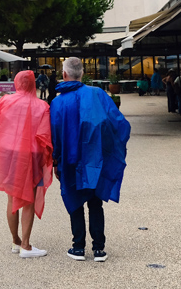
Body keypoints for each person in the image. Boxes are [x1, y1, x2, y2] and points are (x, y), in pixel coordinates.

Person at [51, 57, 131, 263]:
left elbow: (55, 135)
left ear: (64, 74)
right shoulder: (97, 94)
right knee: (95, 203)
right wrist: (109, 148)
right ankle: (99, 249)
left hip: (69, 159)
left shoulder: (58, 102)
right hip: (94, 158)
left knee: (74, 200)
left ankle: (78, 247)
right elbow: (118, 122)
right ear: (82, 74)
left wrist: (55, 161)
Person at [0, 70, 53, 258]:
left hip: (9, 155)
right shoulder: (42, 106)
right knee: (29, 200)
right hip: (32, 156)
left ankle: (15, 241)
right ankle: (26, 245)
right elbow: (46, 135)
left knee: (12, 198)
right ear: (33, 84)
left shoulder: (5, 100)